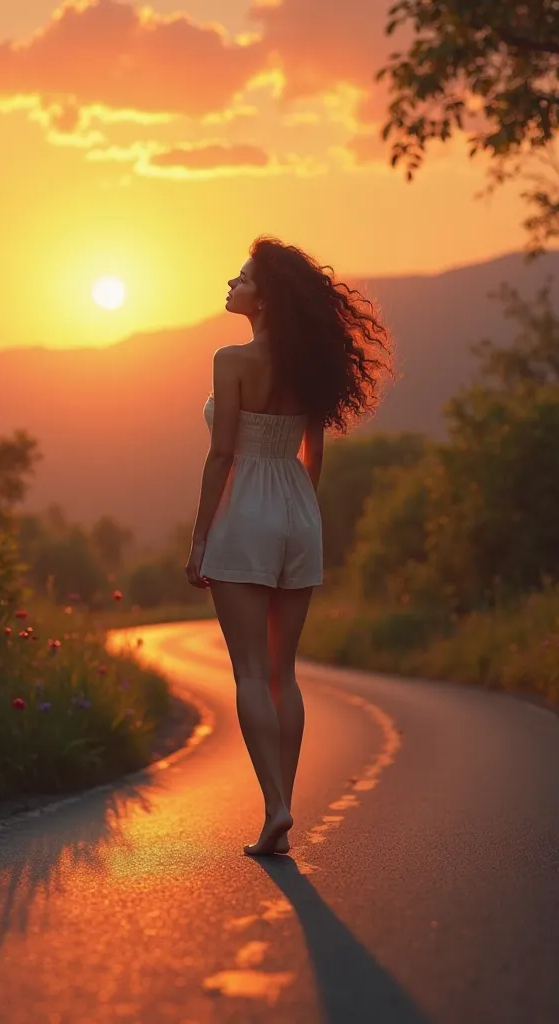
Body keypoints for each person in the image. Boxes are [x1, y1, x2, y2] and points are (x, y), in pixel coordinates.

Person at [186, 237, 390, 856]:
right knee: (283, 674)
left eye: (242, 277)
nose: (231, 282)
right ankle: (286, 804)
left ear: (266, 299)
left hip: (244, 511)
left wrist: (200, 539)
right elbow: (315, 455)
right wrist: (296, 510)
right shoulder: (310, 366)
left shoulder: (231, 358)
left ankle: (274, 807)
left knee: (248, 670)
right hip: (299, 512)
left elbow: (222, 453)